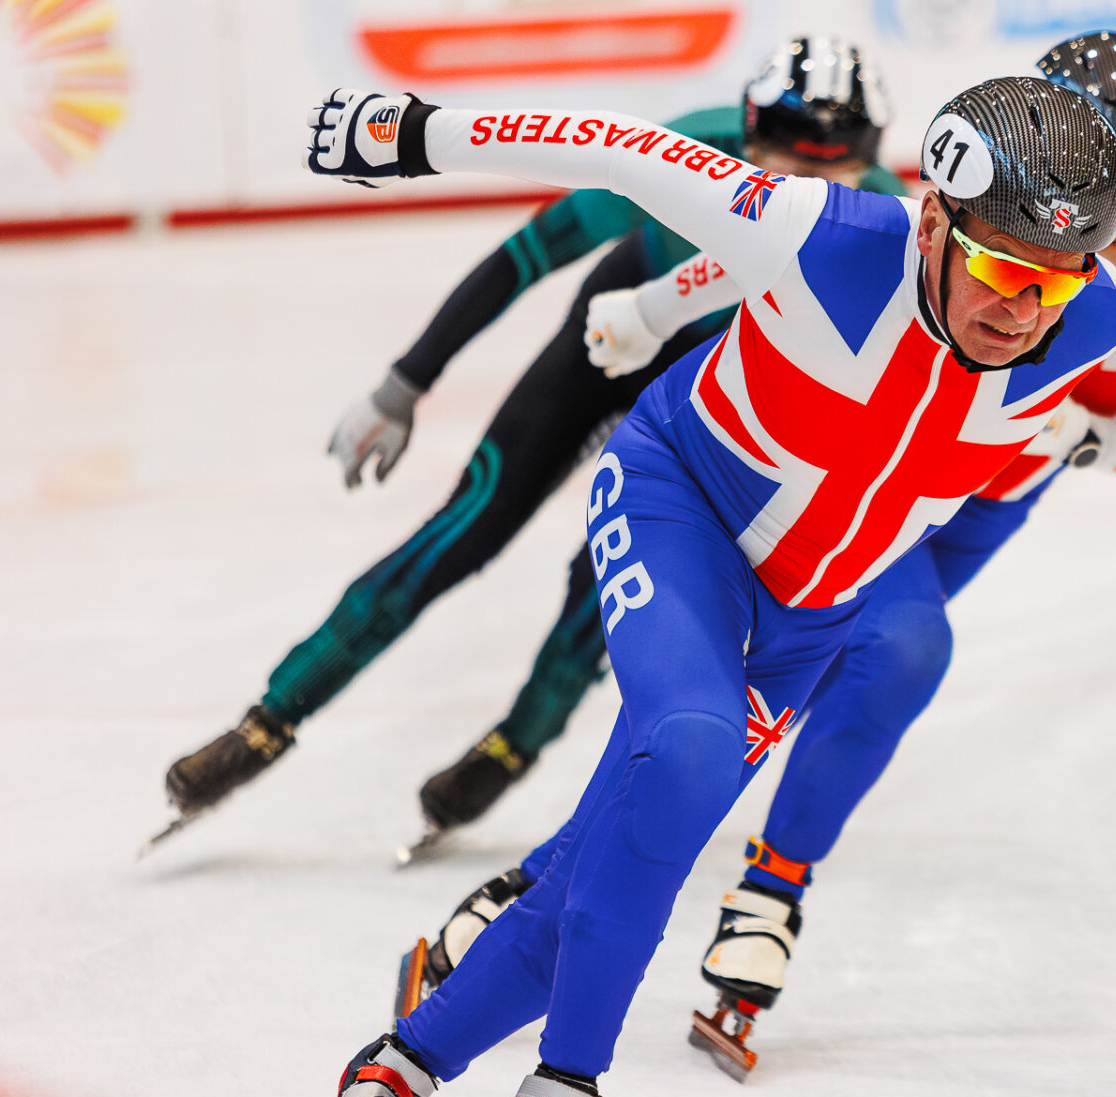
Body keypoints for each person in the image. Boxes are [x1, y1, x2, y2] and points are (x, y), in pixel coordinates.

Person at [297, 73, 1116, 1097]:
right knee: (687, 748)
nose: (1025, 310)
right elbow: (617, 149)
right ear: (934, 221)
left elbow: (1063, 434)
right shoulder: (821, 234)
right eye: (1004, 270)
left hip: (810, 613)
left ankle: (399, 1066)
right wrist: (412, 133)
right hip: (678, 503)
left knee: (605, 867)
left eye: (1058, 281)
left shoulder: (1088, 324)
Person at [408, 32, 1116, 1081]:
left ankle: (652, 886)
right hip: (854, 493)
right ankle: (748, 893)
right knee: (876, 662)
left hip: (962, 513)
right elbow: (797, 248)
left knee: (762, 714)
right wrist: (657, 307)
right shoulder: (968, 233)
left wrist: (1088, 439)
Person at [153, 38, 901, 852]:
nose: (809, 189)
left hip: (711, 395)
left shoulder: (887, 220)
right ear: (747, 138)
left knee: (609, 584)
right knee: (469, 526)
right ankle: (274, 716)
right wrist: (404, 383)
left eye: (837, 169)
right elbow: (527, 257)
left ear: (869, 162)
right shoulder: (699, 147)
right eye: (788, 162)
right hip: (608, 341)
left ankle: (517, 742)